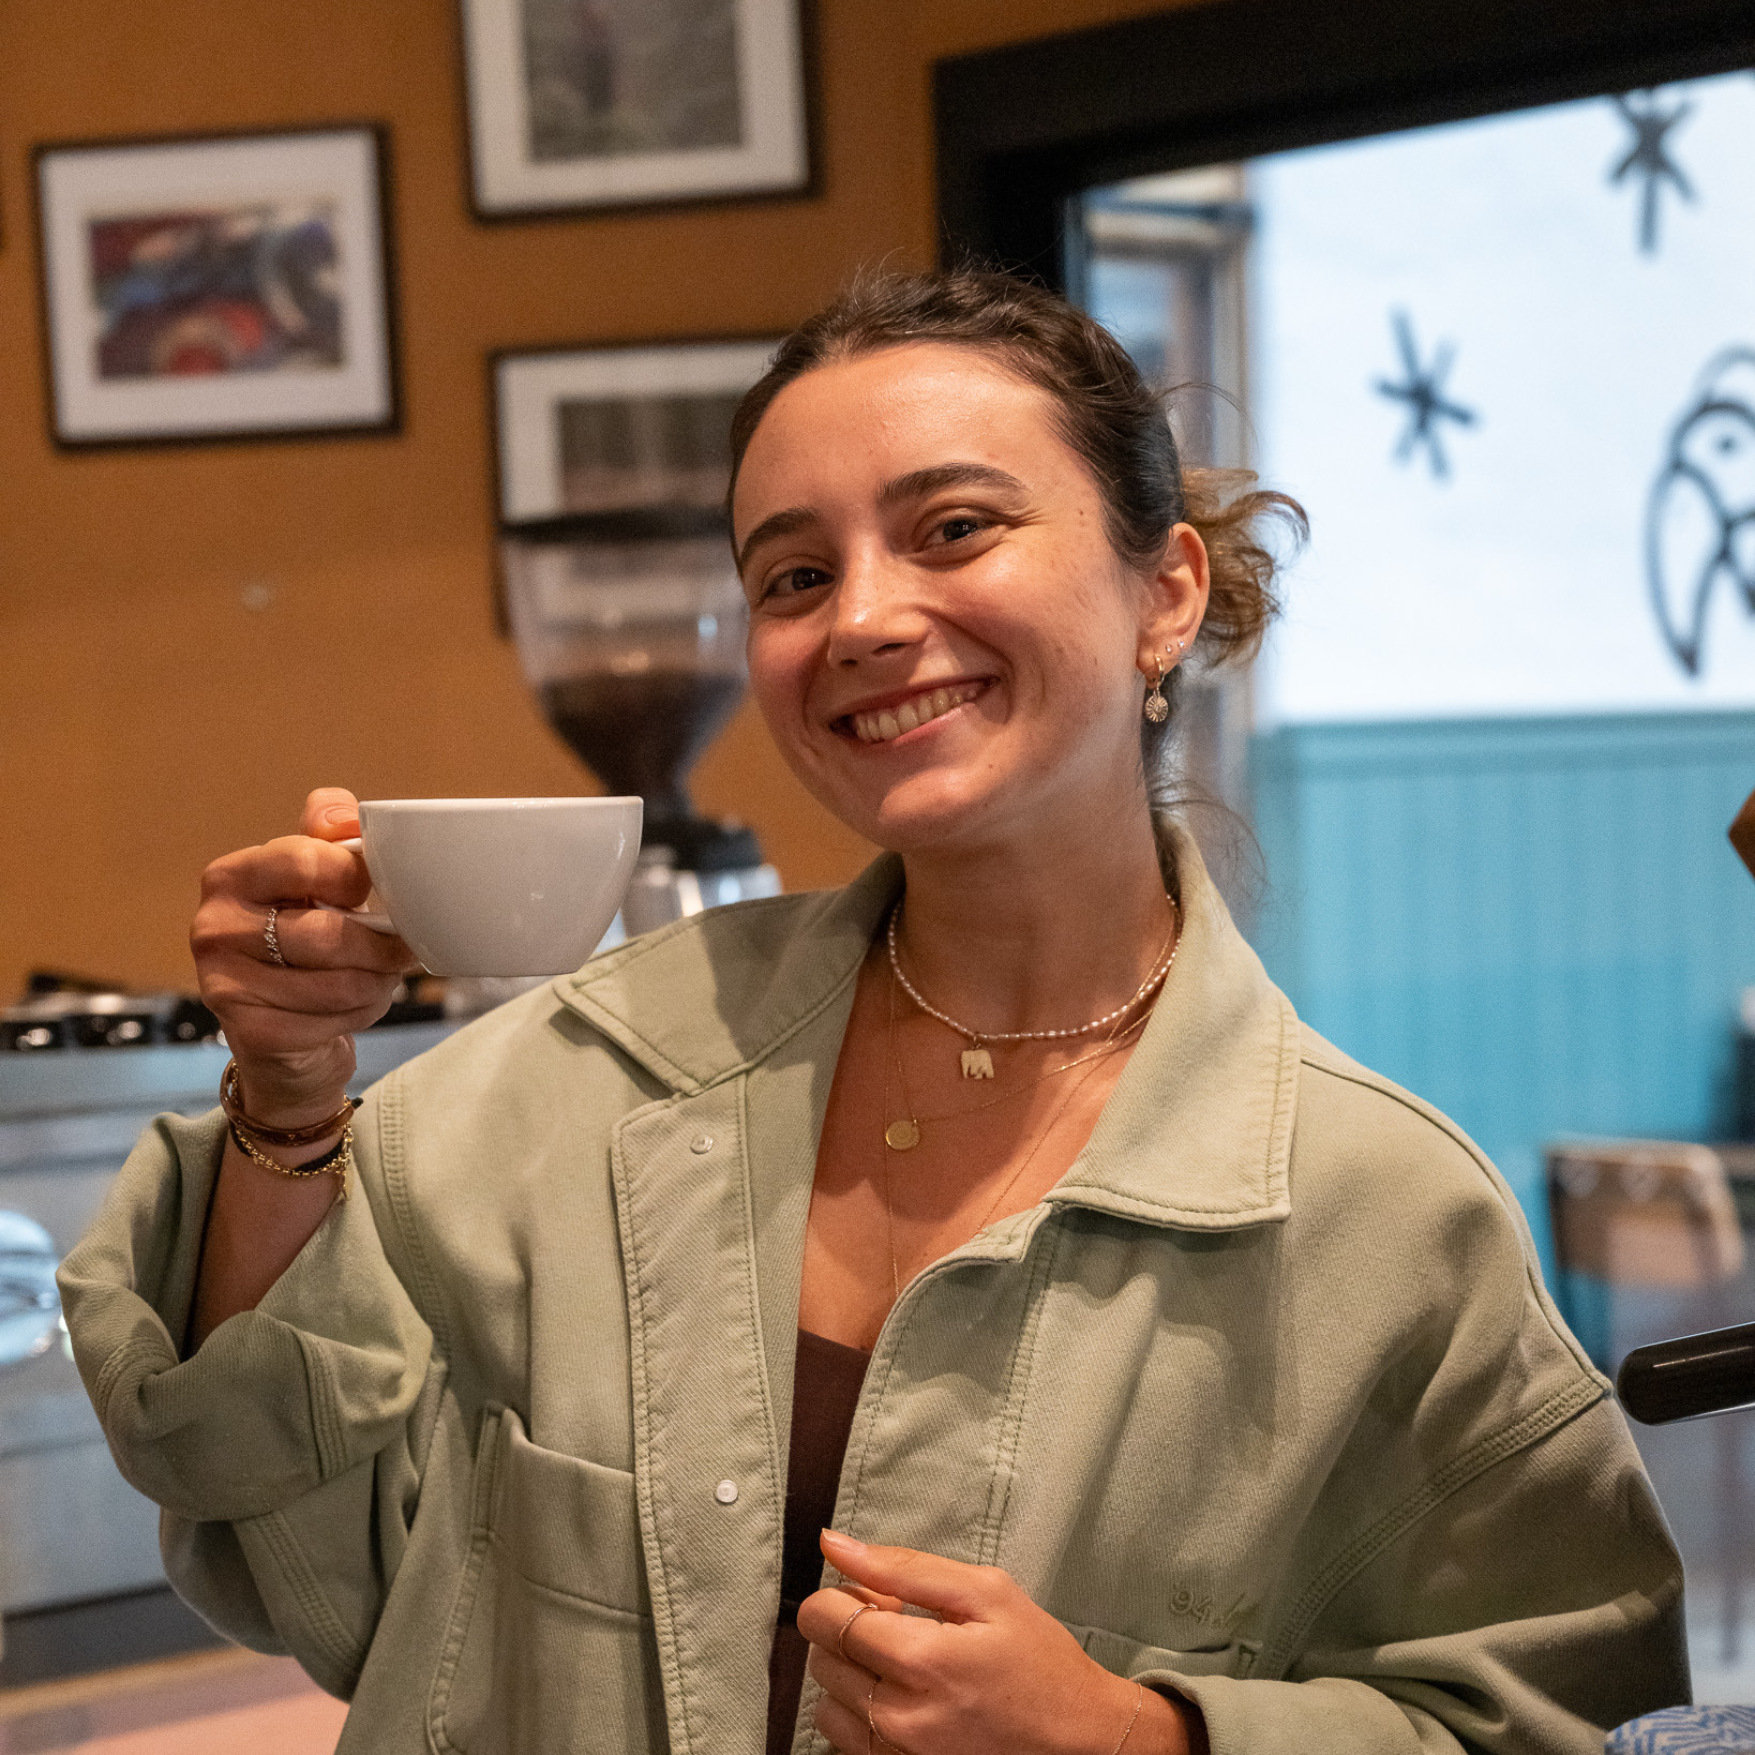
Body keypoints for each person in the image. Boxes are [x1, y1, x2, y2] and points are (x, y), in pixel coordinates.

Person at [60, 269, 1687, 1755]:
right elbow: (304, 1558)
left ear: (1166, 592)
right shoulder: (568, 1084)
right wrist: (285, 1094)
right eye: (790, 571)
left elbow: (1568, 1719)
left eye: (956, 526)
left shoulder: (1379, 1222)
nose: (858, 615)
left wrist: (1144, 1739)